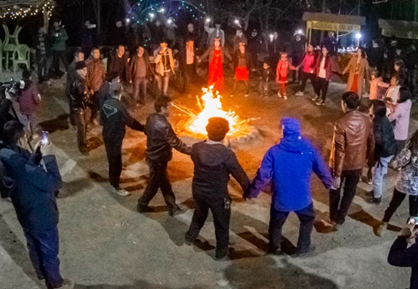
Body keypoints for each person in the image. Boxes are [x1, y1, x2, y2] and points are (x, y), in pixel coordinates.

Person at [248, 117, 333, 255]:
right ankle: (303, 248)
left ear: (283, 131)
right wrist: (329, 183)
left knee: (276, 224)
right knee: (307, 220)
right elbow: (321, 168)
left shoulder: (273, 152)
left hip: (281, 198)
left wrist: (253, 192)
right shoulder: (309, 149)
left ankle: (275, 247)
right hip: (303, 197)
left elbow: (263, 175)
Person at [0, 121, 67, 289]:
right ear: (21, 140)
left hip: (25, 213)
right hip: (42, 216)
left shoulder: (4, 159)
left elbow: (24, 170)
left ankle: (41, 273)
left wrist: (36, 154)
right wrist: (49, 157)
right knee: (49, 253)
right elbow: (55, 183)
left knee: (34, 246)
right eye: (26, 136)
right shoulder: (27, 171)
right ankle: (55, 284)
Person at [185, 117, 251, 260]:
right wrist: (248, 190)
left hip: (198, 190)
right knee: (221, 222)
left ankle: (190, 236)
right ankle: (221, 252)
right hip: (218, 194)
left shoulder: (196, 148)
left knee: (199, 213)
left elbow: (202, 155)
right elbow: (239, 174)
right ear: (225, 134)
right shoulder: (227, 154)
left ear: (207, 130)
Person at [375, 126, 418, 236]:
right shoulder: (408, 148)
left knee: (414, 212)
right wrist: (405, 159)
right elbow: (395, 163)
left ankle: (411, 229)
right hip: (403, 183)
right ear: (416, 137)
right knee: (393, 205)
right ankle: (384, 222)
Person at [137, 95, 191, 214]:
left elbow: (147, 130)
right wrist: (193, 151)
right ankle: (142, 204)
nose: (171, 109)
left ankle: (172, 207)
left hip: (152, 156)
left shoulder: (151, 118)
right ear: (162, 108)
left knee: (164, 183)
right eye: (169, 107)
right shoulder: (164, 125)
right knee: (154, 184)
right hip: (158, 159)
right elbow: (176, 143)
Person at [328, 92, 374, 227]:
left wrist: (337, 174)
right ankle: (341, 217)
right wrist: (366, 158)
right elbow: (371, 141)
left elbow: (339, 150)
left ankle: (333, 216)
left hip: (342, 165)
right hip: (358, 163)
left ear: (344, 104)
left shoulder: (341, 123)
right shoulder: (367, 119)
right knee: (350, 190)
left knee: (335, 190)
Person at [100, 81, 144, 196]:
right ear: (120, 92)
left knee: (111, 158)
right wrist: (143, 128)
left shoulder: (106, 103)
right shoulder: (120, 107)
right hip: (116, 137)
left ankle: (112, 178)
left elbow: (102, 119)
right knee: (117, 162)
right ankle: (115, 185)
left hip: (106, 134)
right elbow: (131, 122)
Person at [369, 100, 397, 204]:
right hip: (390, 149)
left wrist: (375, 155)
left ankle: (377, 197)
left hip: (384, 153)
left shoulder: (377, 123)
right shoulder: (384, 119)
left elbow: (378, 141)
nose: (369, 109)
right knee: (376, 172)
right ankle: (374, 191)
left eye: (371, 107)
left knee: (377, 175)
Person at [68, 62, 90, 154]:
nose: (86, 71)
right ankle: (82, 146)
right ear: (78, 71)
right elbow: (80, 96)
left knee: (84, 125)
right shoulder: (78, 81)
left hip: (81, 106)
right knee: (81, 126)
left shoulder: (81, 79)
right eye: (83, 70)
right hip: (79, 108)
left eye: (86, 69)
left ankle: (84, 141)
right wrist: (86, 97)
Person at [388, 81, 412, 154]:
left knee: (397, 150)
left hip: (399, 132)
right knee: (401, 148)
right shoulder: (408, 102)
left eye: (398, 94)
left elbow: (392, 117)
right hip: (404, 129)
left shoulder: (400, 107)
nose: (397, 95)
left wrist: (388, 116)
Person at [16, 69, 41, 139]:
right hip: (31, 107)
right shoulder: (32, 86)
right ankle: (33, 134)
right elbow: (35, 97)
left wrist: (20, 101)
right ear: (29, 77)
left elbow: (17, 97)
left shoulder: (19, 85)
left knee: (24, 122)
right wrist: (38, 101)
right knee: (32, 121)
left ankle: (25, 135)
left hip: (22, 107)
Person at [85, 48, 105, 123]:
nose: (98, 54)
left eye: (98, 52)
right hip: (92, 87)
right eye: (96, 52)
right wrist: (90, 88)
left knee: (97, 103)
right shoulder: (87, 63)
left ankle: (94, 116)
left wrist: (104, 83)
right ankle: (89, 118)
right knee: (91, 103)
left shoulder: (100, 62)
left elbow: (103, 74)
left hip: (100, 86)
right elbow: (86, 77)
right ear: (91, 53)